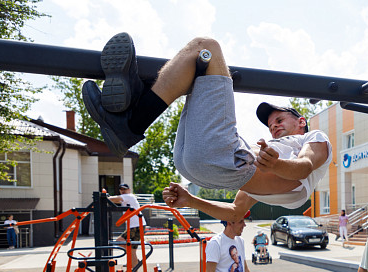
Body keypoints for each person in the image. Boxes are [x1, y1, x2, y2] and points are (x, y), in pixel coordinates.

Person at [81, 32, 332, 222]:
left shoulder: (313, 137)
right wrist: (190, 199)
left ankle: (134, 120)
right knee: (197, 77)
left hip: (225, 163)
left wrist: (277, 165)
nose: (274, 127)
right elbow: (234, 212)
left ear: (301, 122)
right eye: (270, 124)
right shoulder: (268, 173)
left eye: (280, 120)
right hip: (197, 166)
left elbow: (305, 166)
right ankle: (137, 105)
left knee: (207, 48)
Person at [108, 183, 146, 272]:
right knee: (130, 250)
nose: (122, 191)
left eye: (124, 189)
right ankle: (135, 267)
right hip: (135, 226)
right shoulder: (125, 198)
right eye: (121, 189)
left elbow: (114, 199)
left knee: (121, 243)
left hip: (137, 226)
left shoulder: (129, 196)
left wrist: (104, 196)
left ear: (129, 190)